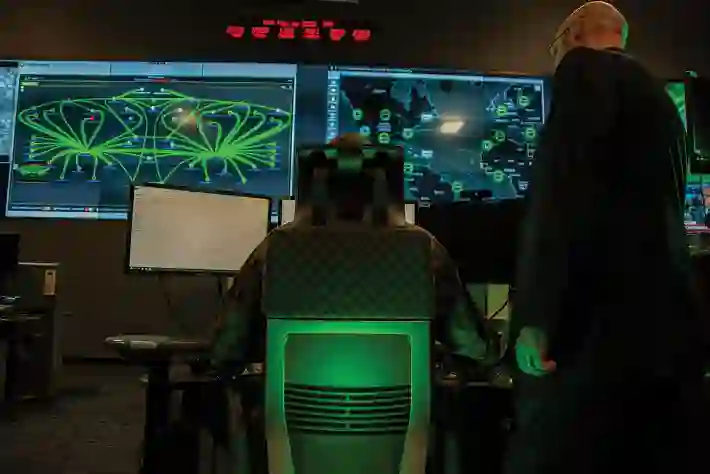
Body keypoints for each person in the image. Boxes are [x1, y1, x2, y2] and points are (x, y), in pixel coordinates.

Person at [506, 2, 707, 474]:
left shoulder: (583, 72)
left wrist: (537, 318)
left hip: (593, 328)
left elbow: (559, 200)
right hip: (662, 327)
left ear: (573, 37)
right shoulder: (662, 102)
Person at [212, 132, 494, 372]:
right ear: (384, 183)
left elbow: (229, 346)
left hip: (292, 414)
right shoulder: (422, 248)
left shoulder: (278, 246)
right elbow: (472, 346)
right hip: (400, 415)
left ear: (316, 182)